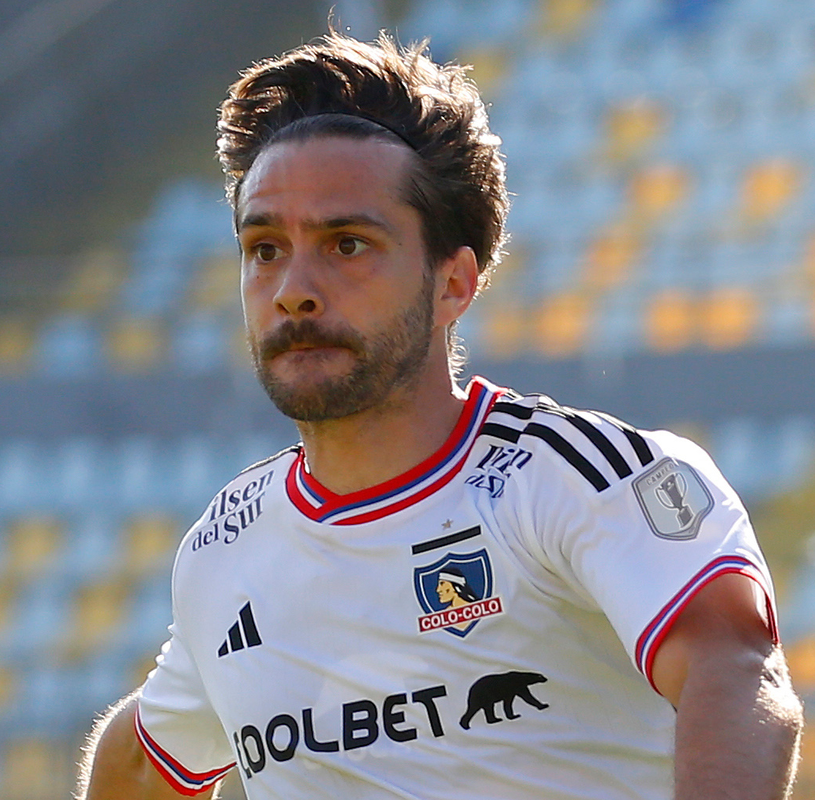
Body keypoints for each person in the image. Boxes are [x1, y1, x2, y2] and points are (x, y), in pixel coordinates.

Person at [75, 32, 804, 800]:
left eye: (346, 244)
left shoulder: (580, 480)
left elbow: (736, 675)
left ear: (453, 283)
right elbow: (139, 764)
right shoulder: (226, 545)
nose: (294, 288)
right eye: (263, 249)